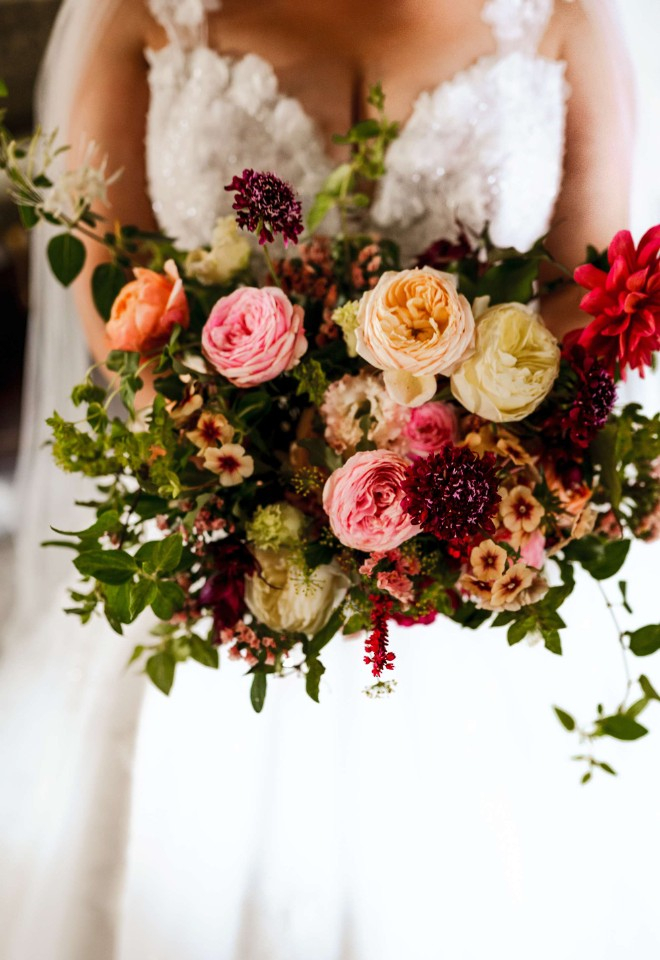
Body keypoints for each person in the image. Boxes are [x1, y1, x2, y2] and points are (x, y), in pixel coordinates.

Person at [1, 1, 659, 958]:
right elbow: (122, 317)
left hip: (472, 563)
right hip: (223, 565)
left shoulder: (558, 18)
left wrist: (436, 450)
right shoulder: (144, 15)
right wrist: (273, 470)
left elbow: (594, 289)